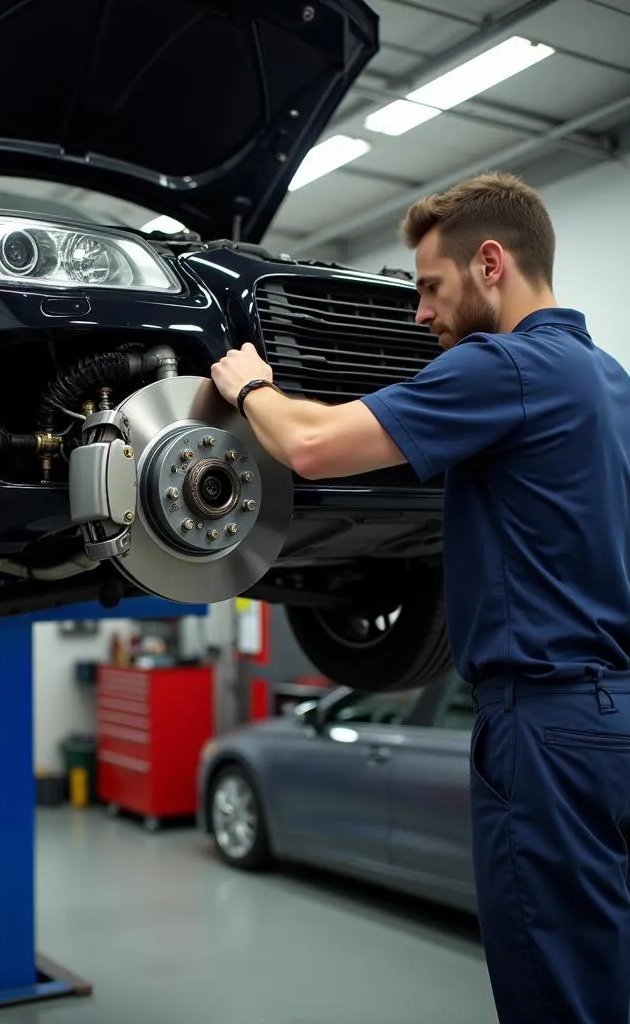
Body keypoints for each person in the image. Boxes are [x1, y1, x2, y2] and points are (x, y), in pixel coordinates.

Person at [210, 171, 630, 1024]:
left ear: (489, 264)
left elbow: (316, 447)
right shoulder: (608, 379)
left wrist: (250, 384)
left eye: (429, 288)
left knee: (557, 991)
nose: (419, 314)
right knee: (607, 969)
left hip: (545, 730)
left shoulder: (505, 365)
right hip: (613, 714)